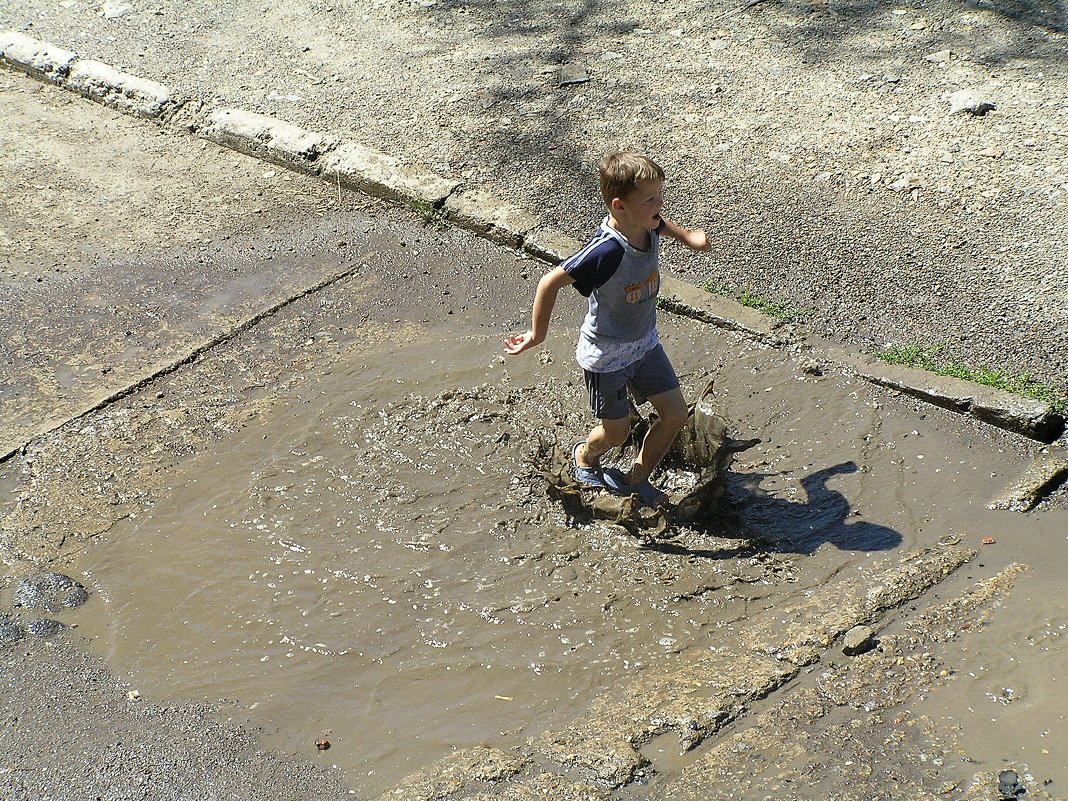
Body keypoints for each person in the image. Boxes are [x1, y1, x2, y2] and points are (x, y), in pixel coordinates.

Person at [504, 152, 710, 505]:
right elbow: (549, 282)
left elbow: (661, 225)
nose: (659, 205)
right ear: (619, 206)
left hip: (645, 344)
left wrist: (688, 237)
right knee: (617, 432)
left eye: (660, 195)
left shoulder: (646, 221)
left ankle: (635, 480)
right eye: (650, 199)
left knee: (675, 415)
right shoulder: (607, 250)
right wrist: (537, 335)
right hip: (607, 355)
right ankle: (585, 454)